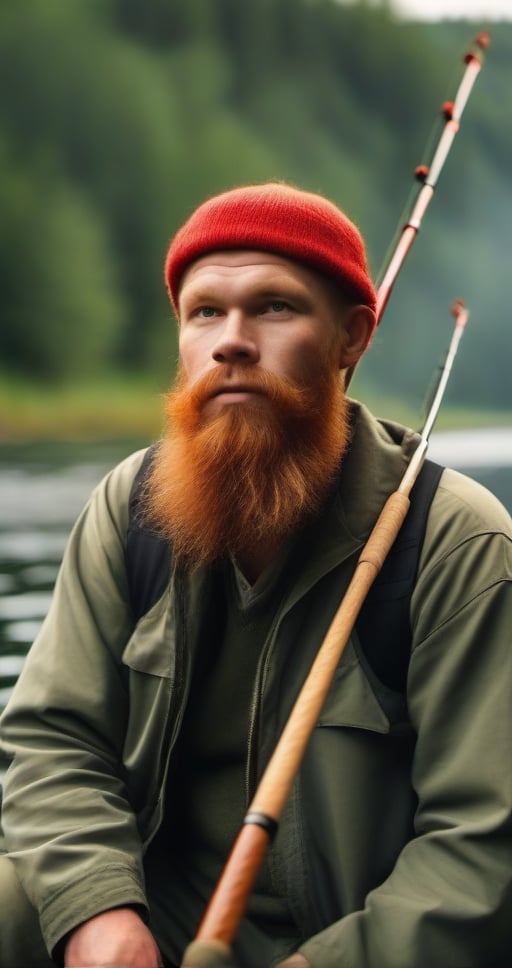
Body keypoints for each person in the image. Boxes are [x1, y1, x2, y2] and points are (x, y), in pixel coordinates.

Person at [0, 182, 511, 968]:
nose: (231, 340)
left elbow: (482, 846)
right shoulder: (130, 510)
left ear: (352, 338)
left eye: (274, 307)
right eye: (205, 311)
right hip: (153, 917)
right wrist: (98, 916)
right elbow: (54, 740)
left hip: (348, 938)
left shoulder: (457, 545)